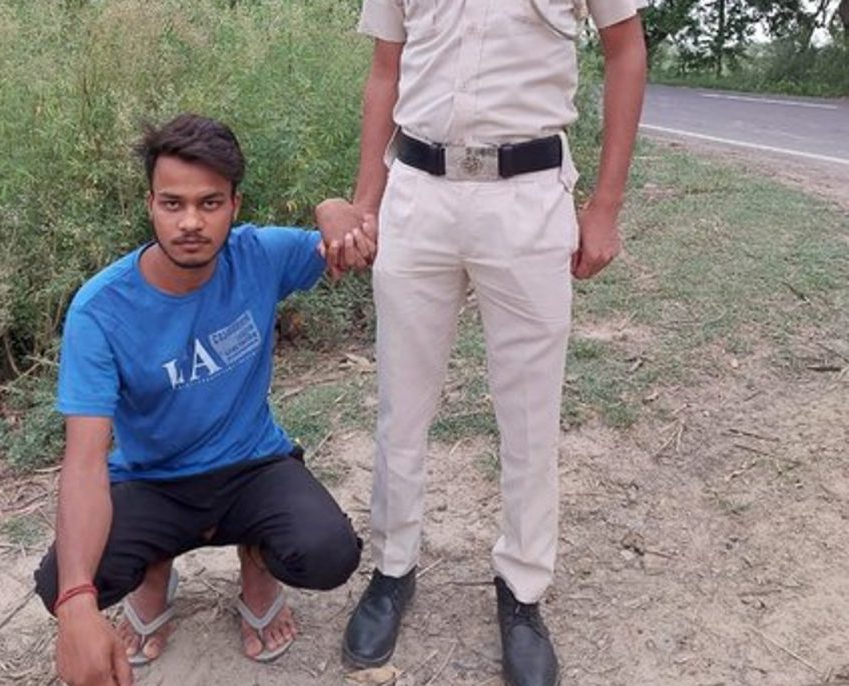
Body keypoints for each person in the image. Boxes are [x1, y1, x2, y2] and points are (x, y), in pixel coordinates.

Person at [317, 2, 647, 684]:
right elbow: (386, 69)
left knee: (529, 416)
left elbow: (625, 50)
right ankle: (393, 568)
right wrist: (366, 203)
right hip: (418, 194)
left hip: (528, 197)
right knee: (401, 406)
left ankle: (522, 590)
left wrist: (606, 205)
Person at [34, 113, 375, 686]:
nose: (191, 222)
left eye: (210, 203)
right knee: (62, 586)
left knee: (328, 553)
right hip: (153, 482)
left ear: (234, 205)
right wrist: (75, 604)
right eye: (173, 203)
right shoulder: (101, 310)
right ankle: (154, 567)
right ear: (150, 204)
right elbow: (85, 460)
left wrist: (334, 207)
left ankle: (256, 560)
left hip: (253, 467)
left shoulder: (259, 256)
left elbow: (348, 243)